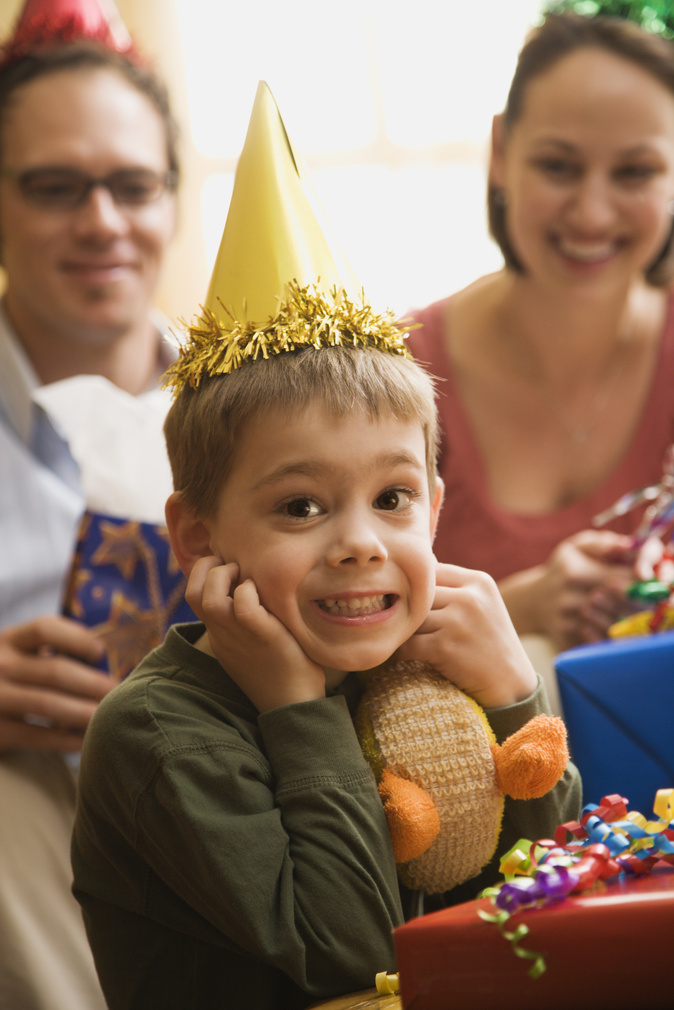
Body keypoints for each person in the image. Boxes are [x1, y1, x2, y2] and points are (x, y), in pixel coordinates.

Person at [71, 81, 581, 1010]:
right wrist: (297, 711)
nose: (357, 544)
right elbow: (361, 964)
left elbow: (542, 923)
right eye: (301, 507)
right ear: (197, 533)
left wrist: (513, 700)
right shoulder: (159, 736)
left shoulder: (423, 685)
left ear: (433, 508)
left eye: (390, 498)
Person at [0, 3, 181, 1006]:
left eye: (130, 185)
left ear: (170, 200)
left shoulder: (267, 411)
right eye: (55, 187)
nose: (102, 221)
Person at [407, 11, 674, 657]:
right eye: (558, 166)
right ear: (501, 152)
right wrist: (520, 604)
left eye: (634, 172)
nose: (591, 212)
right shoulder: (398, 369)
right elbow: (324, 631)